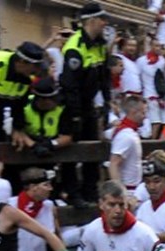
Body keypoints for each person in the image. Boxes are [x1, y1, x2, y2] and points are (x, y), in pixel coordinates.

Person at [60, 2, 110, 207]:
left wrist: (107, 102)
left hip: (89, 103)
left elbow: (104, 77)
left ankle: (90, 191)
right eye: (101, 19)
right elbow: (70, 86)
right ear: (91, 21)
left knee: (92, 150)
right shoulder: (74, 47)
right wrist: (75, 116)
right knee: (72, 150)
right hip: (71, 104)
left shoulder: (100, 45)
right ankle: (73, 193)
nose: (104, 23)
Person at [20, 77, 74, 161]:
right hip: (27, 150)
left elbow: (67, 137)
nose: (56, 101)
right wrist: (34, 145)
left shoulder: (62, 108)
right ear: (41, 99)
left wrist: (50, 144)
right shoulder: (24, 106)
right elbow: (18, 132)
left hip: (52, 150)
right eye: (53, 99)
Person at [108, 94, 145, 195]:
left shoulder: (126, 132)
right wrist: (121, 192)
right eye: (142, 113)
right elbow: (114, 164)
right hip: (129, 190)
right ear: (133, 112)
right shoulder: (126, 135)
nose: (145, 116)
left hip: (134, 189)